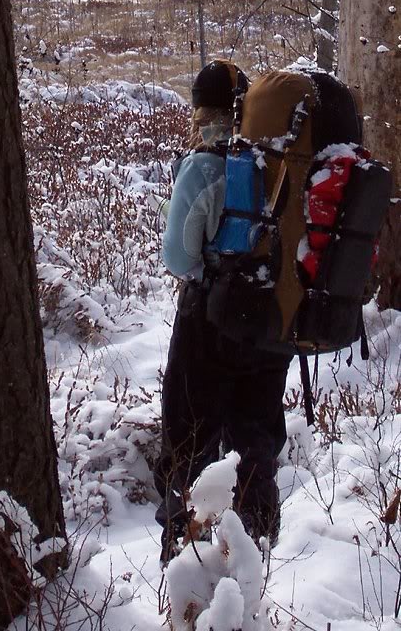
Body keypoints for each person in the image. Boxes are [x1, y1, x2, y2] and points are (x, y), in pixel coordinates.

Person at [154, 59, 292, 565]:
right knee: (255, 445)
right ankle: (254, 560)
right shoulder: (277, 159)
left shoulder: (204, 165)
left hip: (208, 324)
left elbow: (179, 258)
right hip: (273, 322)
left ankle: (183, 564)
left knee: (189, 443)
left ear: (200, 111)